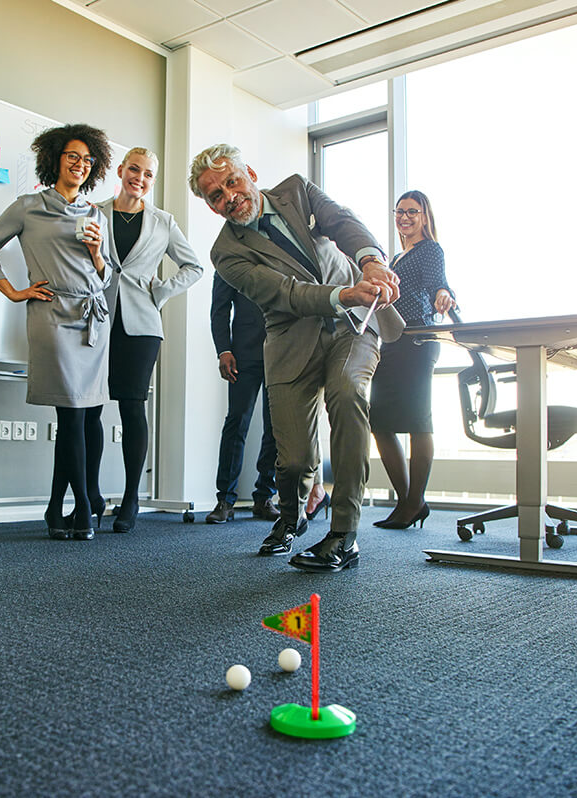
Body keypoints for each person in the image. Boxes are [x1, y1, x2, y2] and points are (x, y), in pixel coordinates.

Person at [188, 143, 405, 573]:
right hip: (291, 339)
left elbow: (343, 223)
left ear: (248, 171)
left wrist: (371, 262)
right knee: (293, 461)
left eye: (231, 181)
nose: (228, 196)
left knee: (347, 395)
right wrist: (343, 294)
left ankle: (344, 533)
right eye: (215, 195)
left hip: (353, 327)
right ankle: (291, 516)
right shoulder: (225, 253)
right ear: (211, 206)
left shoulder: (297, 191)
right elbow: (281, 292)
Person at [0, 123, 114, 541]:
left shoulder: (96, 214)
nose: (80, 165)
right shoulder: (28, 206)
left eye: (88, 160)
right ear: (55, 159)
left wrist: (96, 252)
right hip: (52, 315)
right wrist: (13, 291)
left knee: (88, 416)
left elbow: (107, 277)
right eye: (73, 156)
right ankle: (86, 507)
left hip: (93, 317)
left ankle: (58, 508)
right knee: (71, 412)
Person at [96, 147, 204, 533]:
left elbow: (194, 266)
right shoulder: (95, 212)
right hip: (96, 319)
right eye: (134, 169)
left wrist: (160, 292)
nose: (139, 178)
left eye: (148, 174)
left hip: (141, 326)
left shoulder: (162, 221)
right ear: (121, 171)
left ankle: (130, 499)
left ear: (152, 181)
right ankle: (91, 494)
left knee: (131, 408)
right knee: (89, 407)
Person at [371, 190, 455, 529]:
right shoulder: (396, 258)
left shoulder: (429, 249)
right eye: (400, 211)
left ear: (425, 216)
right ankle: (410, 501)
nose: (405, 217)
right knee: (379, 422)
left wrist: (443, 295)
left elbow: (439, 284)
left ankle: (412, 501)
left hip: (419, 340)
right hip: (393, 342)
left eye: (413, 212)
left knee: (419, 422)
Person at [206, 272, 279, 525]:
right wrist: (223, 350)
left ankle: (264, 497)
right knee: (236, 422)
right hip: (243, 353)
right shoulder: (230, 257)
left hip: (281, 350)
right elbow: (220, 309)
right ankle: (225, 499)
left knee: (276, 427)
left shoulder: (281, 251)